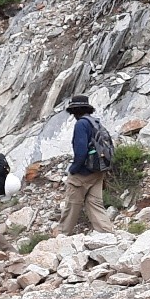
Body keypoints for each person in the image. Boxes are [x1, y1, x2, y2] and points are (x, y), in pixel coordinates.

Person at [59, 94, 113, 235]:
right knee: (95, 204)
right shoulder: (95, 122)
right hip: (98, 170)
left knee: (72, 205)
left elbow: (81, 151)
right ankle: (107, 234)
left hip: (83, 172)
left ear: (75, 111)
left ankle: (62, 236)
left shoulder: (81, 124)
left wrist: (73, 170)